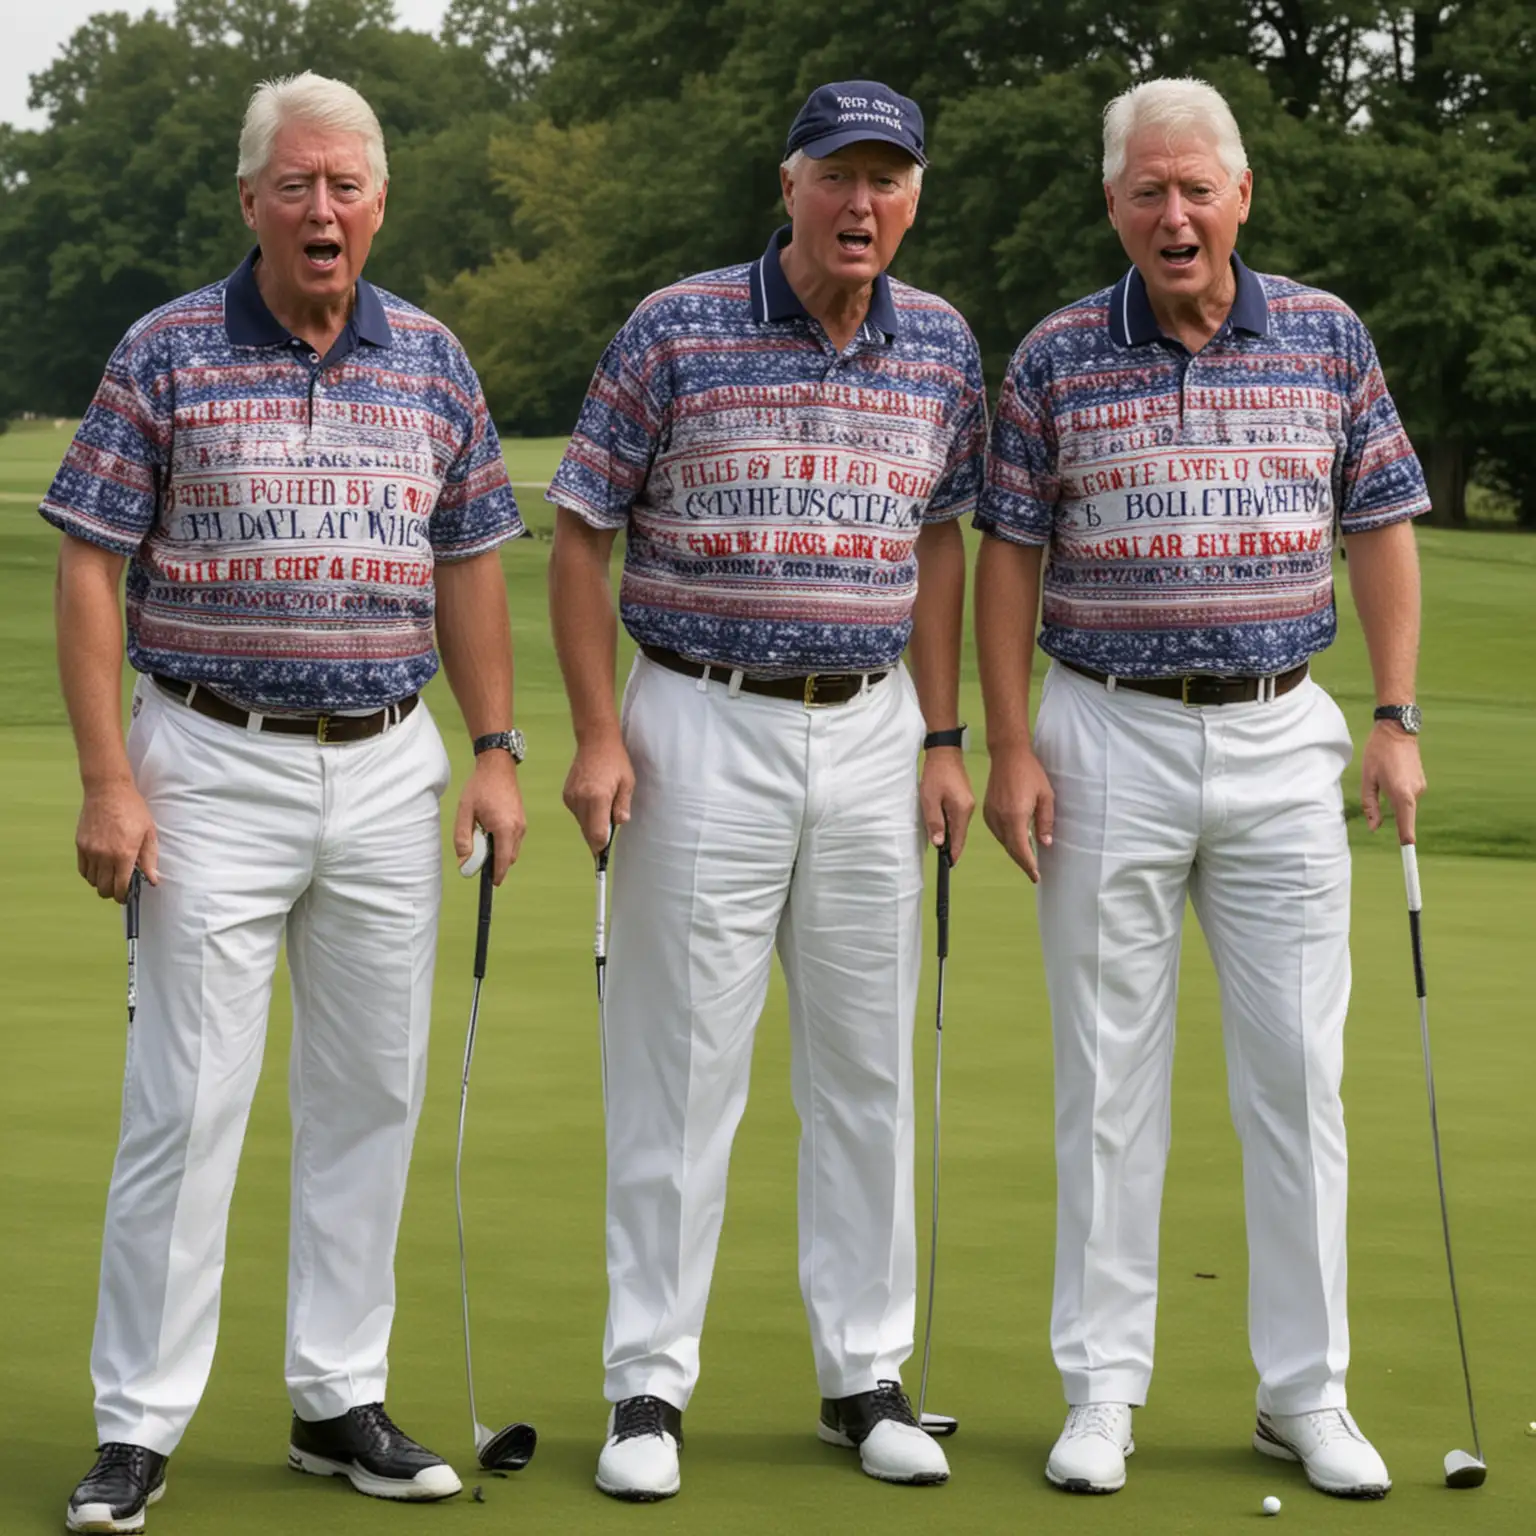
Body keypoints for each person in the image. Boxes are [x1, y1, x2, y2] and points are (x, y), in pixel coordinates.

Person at [42, 72, 527, 1532]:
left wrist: (497, 745)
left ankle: (336, 1396)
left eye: (349, 184)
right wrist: (108, 778)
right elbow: (88, 561)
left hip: (389, 764)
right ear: (251, 200)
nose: (325, 209)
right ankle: (137, 1424)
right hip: (209, 759)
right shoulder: (168, 351)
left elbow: (471, 558)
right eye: (297, 183)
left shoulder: (432, 360)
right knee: (187, 1104)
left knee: (369, 1092)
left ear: (382, 201)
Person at [974, 77, 1428, 1500]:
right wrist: (1008, 745)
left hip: (1283, 733)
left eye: (1197, 189)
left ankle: (1305, 1392)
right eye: (1146, 192)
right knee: (1107, 1082)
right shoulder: (1055, 358)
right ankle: (1102, 1391)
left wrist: (1396, 717)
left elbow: (1380, 528)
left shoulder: (1327, 338)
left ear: (1241, 197)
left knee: (1299, 1076)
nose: (1175, 216)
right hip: (1104, 733)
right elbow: (1006, 561)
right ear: (1113, 206)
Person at [547, 79, 985, 1501]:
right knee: (680, 1073)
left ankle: (865, 1376)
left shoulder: (939, 346)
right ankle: (646, 1390)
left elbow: (936, 542)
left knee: (864, 1066)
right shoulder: (677, 325)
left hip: (868, 731)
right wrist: (600, 732)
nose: (865, 204)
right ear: (785, 185)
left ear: (913, 198)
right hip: (697, 720)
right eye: (839, 175)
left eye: (890, 180)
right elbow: (578, 537)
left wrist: (940, 735)